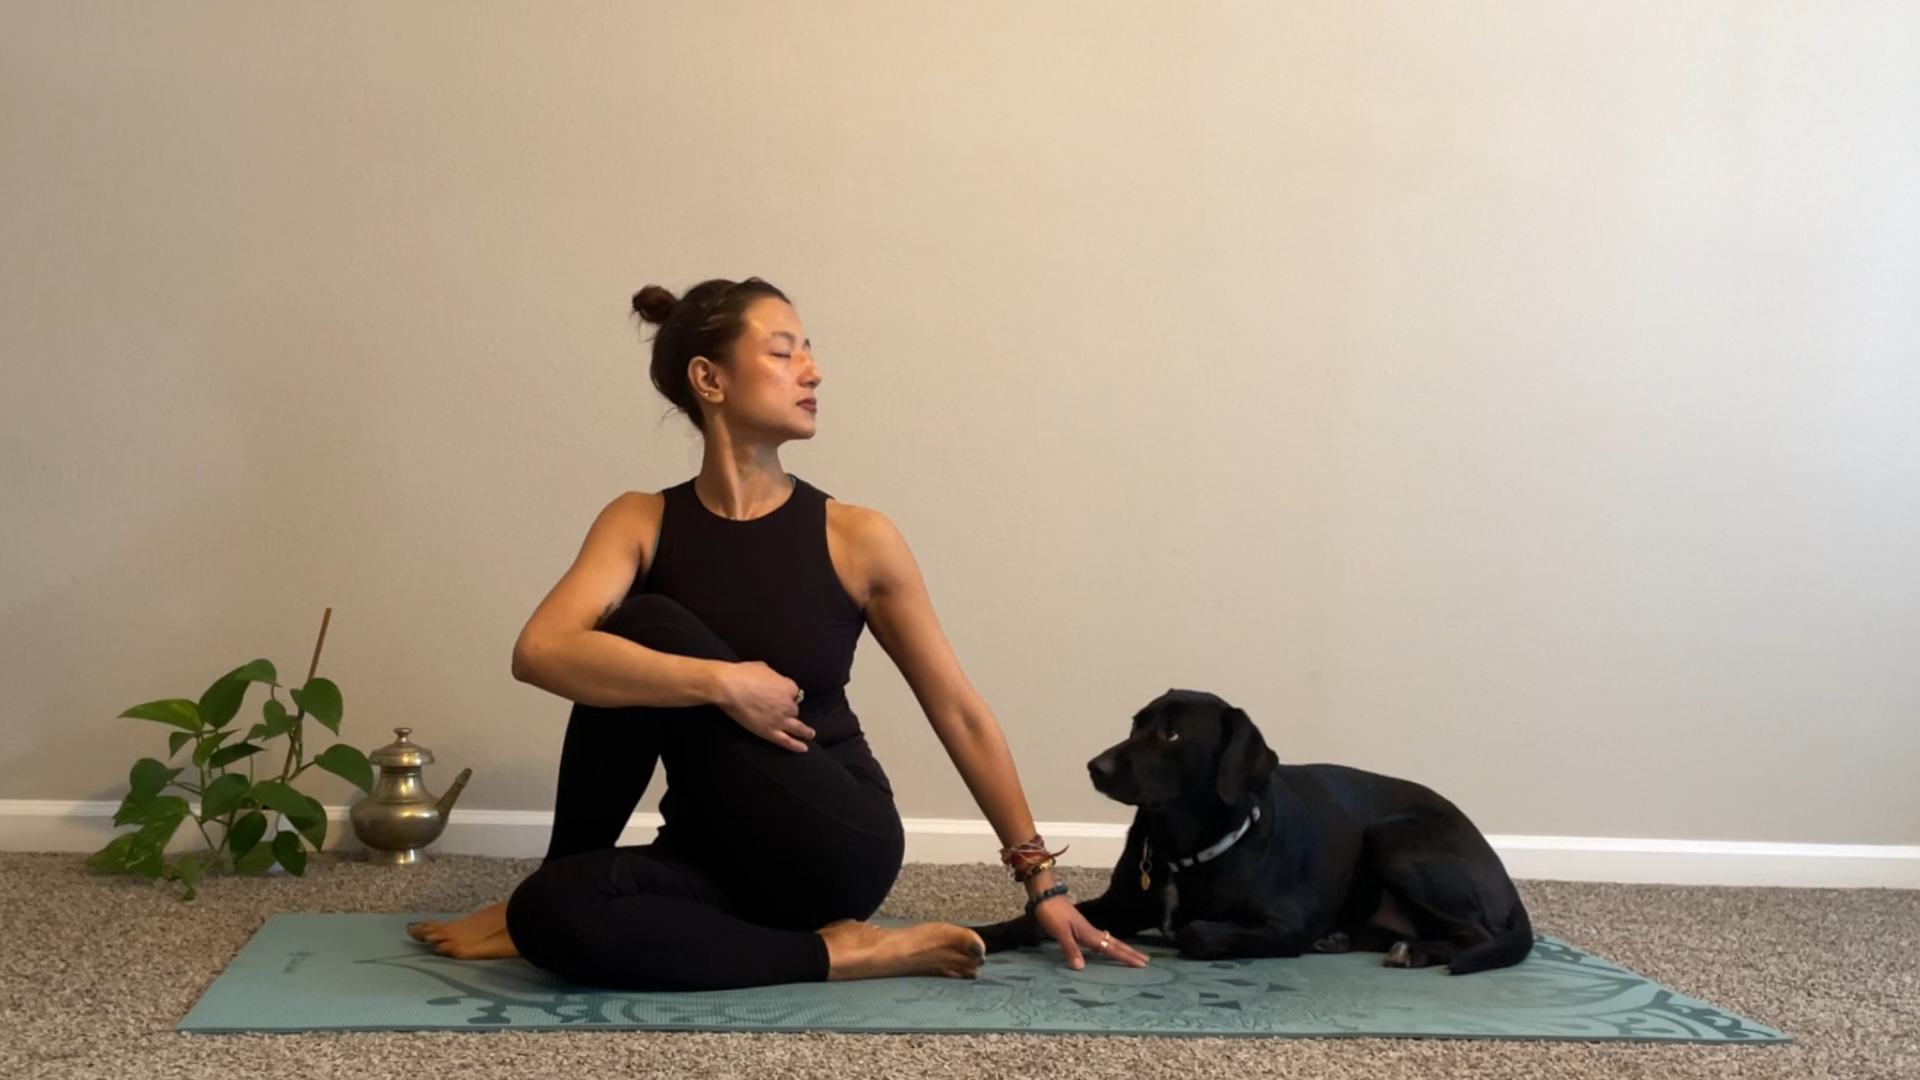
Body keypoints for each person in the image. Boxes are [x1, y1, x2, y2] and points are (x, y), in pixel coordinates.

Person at [408, 276, 1149, 990]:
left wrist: (1041, 881)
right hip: (707, 858)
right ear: (710, 378)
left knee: (641, 624)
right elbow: (540, 651)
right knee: (551, 911)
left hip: (831, 838)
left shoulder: (855, 536)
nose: (813, 371)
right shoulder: (640, 520)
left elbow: (957, 708)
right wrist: (721, 683)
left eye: (809, 352)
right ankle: (835, 954)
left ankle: (810, 935)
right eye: (783, 352)